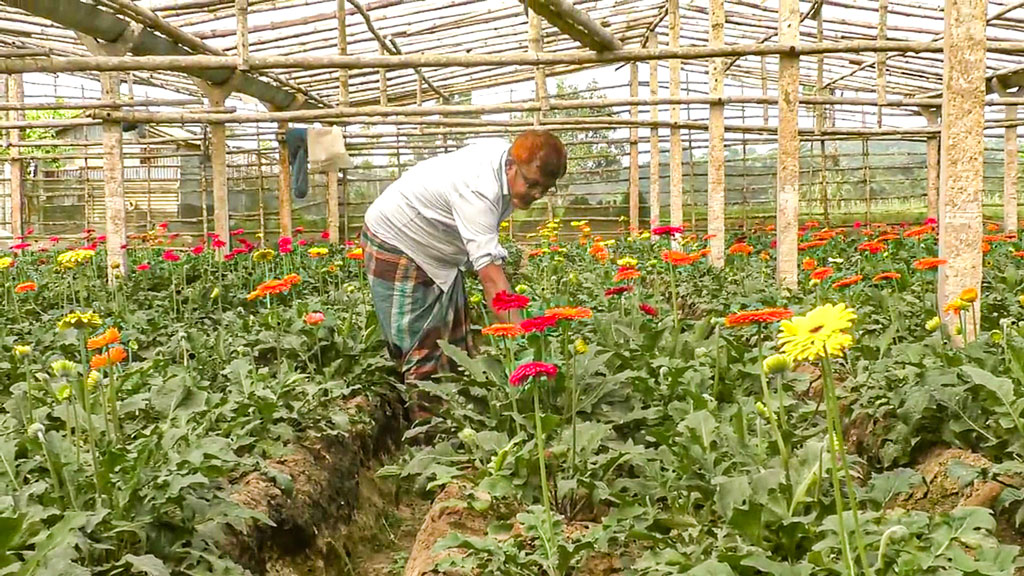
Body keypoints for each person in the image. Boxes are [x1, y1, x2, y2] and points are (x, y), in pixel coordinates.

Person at [360, 130, 567, 413]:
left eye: (545, 188)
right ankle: (427, 440)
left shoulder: (509, 160)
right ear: (510, 166)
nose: (537, 194)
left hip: (439, 249)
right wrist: (524, 349)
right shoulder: (479, 189)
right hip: (398, 240)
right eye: (531, 184)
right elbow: (492, 281)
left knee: (453, 343)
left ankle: (454, 416)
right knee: (424, 348)